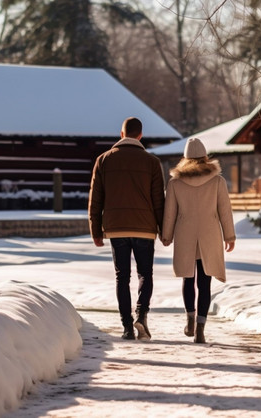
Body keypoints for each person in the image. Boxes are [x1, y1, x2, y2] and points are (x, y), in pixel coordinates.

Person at [88, 117, 165, 341]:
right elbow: (158, 200)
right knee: (145, 274)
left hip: (116, 228)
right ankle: (141, 314)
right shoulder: (152, 162)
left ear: (122, 134)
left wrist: (95, 230)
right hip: (145, 227)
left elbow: (95, 199)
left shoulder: (103, 160)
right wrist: (164, 231)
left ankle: (127, 327)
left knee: (122, 277)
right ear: (140, 135)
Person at [161, 138, 235, 343]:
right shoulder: (217, 181)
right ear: (205, 157)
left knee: (188, 278)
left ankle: (190, 320)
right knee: (205, 281)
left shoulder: (175, 183)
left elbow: (170, 213)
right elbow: (225, 212)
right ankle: (201, 328)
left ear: (185, 158)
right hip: (209, 233)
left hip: (185, 233)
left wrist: (166, 235)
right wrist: (229, 236)